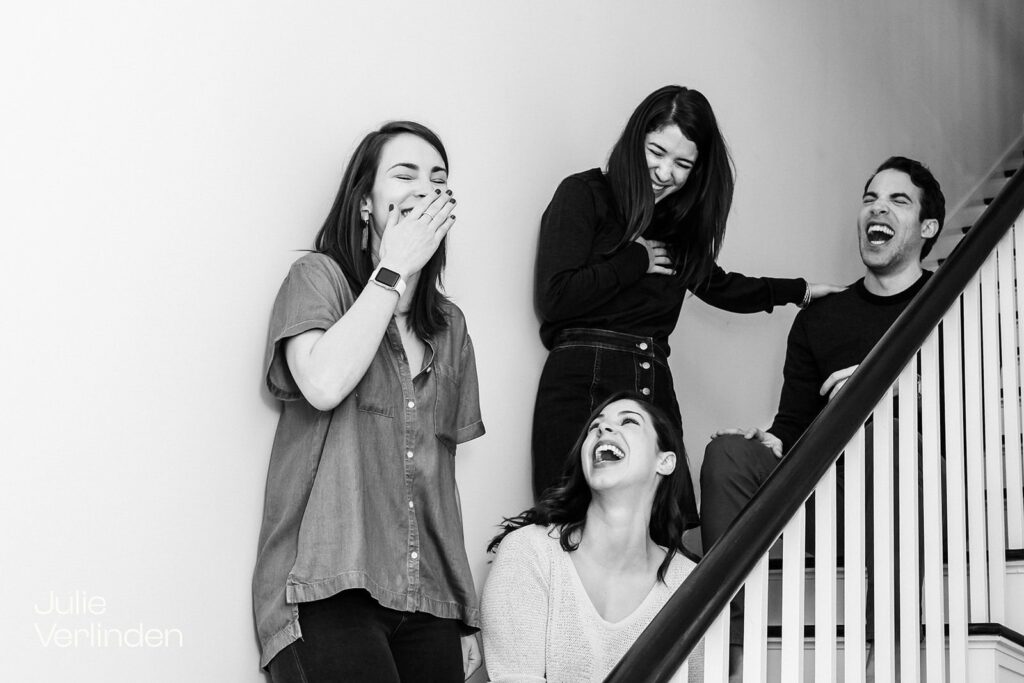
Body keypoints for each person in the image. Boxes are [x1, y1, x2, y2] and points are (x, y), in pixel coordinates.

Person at [531, 85, 844, 521]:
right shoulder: (584, 194)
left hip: (653, 381)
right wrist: (634, 260)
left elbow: (723, 287)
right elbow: (555, 298)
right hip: (583, 378)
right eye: (656, 152)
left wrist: (801, 290)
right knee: (571, 528)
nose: (664, 172)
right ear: (635, 139)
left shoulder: (677, 228)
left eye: (682, 164)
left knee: (666, 532)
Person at [252, 121, 486, 682]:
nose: (423, 188)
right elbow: (324, 383)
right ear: (364, 203)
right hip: (323, 584)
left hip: (428, 598)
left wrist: (464, 612)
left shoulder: (449, 326)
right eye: (404, 174)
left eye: (438, 179)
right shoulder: (318, 279)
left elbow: (438, 476)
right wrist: (393, 271)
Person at [700, 156, 945, 658]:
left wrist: (885, 390)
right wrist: (772, 441)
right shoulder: (822, 319)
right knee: (726, 453)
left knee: (883, 434)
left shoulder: (953, 301)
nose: (878, 208)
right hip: (827, 492)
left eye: (898, 200)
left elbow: (963, 417)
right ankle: (728, 646)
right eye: (870, 199)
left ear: (928, 227)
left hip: (914, 487)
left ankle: (892, 649)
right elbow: (792, 422)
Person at [482, 392, 704, 682]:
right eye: (594, 427)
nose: (603, 429)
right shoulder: (529, 552)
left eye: (628, 422)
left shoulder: (689, 583)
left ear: (664, 462)